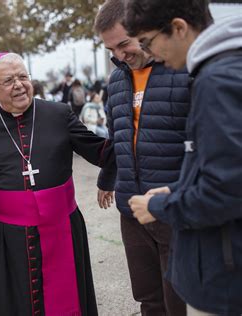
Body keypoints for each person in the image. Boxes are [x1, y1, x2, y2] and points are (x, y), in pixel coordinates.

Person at [0, 52, 116, 316]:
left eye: (23, 76)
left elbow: (98, 150)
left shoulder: (58, 114)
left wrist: (112, 169)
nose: (19, 85)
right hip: (8, 234)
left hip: (62, 225)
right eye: (9, 80)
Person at [125, 1, 242, 315]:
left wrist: (159, 206)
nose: (151, 54)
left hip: (227, 283)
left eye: (149, 43)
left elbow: (226, 192)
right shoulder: (225, 68)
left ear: (178, 28)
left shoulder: (216, 80)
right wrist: (177, 189)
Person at [94, 0, 190, 314]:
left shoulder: (181, 69)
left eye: (124, 44)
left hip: (173, 209)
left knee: (180, 298)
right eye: (112, 50)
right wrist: (107, 179)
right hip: (131, 210)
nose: (120, 56)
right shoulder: (116, 82)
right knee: (148, 298)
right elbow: (116, 135)